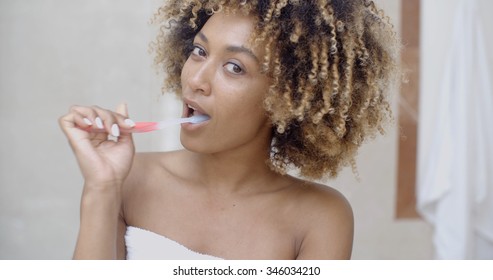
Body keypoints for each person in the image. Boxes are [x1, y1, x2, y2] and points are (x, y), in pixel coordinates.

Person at [59, 0, 399, 260]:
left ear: (288, 97)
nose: (195, 80)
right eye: (199, 51)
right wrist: (102, 187)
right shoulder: (128, 179)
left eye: (234, 67)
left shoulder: (320, 217)